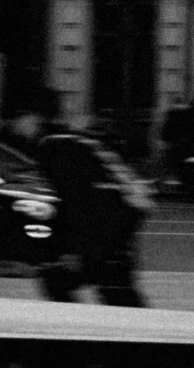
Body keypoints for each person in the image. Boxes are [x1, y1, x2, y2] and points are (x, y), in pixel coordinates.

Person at [34, 130, 150, 305]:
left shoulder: (59, 156)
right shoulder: (92, 152)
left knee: (62, 279)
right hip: (119, 223)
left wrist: (74, 251)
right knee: (114, 285)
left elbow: (77, 209)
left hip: (105, 231)